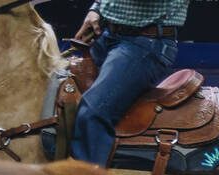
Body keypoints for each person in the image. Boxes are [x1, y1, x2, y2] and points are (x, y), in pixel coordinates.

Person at [71, 0, 190, 166]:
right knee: (65, 97)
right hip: (108, 35)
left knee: (93, 112)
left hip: (147, 43)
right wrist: (97, 9)